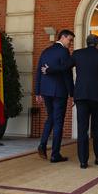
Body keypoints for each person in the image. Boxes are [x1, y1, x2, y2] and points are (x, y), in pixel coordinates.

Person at [43, 34, 98, 169]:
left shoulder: (77, 54)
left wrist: (49, 70)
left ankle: (83, 161)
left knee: (82, 129)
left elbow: (64, 67)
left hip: (81, 96)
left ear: (87, 43)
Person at [34, 29, 75, 163]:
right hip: (59, 92)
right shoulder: (63, 51)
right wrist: (72, 93)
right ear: (62, 37)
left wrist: (38, 91)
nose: (71, 43)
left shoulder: (46, 51)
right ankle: (55, 154)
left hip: (46, 91)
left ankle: (42, 144)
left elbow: (38, 72)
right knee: (58, 122)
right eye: (70, 40)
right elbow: (67, 74)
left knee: (50, 118)